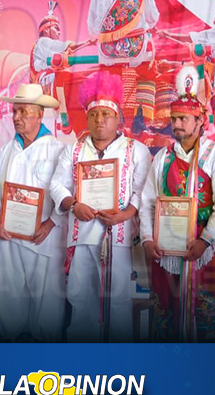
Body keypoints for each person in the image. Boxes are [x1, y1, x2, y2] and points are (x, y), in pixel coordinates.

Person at [49, 72, 152, 342]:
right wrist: (73, 204)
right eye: (94, 115)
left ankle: (117, 366)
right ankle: (82, 365)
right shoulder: (73, 150)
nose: (100, 120)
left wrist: (126, 214)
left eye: (106, 114)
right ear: (87, 118)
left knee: (117, 303)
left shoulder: (135, 150)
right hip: (82, 235)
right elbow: (56, 186)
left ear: (118, 118)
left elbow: (142, 193)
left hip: (117, 238)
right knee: (81, 299)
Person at [140, 74, 215, 342]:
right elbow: (148, 201)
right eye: (174, 119)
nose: (177, 124)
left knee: (202, 311)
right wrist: (147, 239)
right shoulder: (162, 157)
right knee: (164, 312)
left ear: (200, 120)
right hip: (165, 247)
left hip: (199, 246)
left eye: (183, 119)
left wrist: (206, 240)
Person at [0, 84, 69, 342]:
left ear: (39, 114)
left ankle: (46, 369)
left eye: (23, 111)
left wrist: (50, 224)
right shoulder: (6, 150)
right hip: (8, 238)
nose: (16, 117)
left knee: (47, 307)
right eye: (14, 111)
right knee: (7, 300)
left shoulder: (58, 149)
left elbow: (65, 196)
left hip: (43, 240)